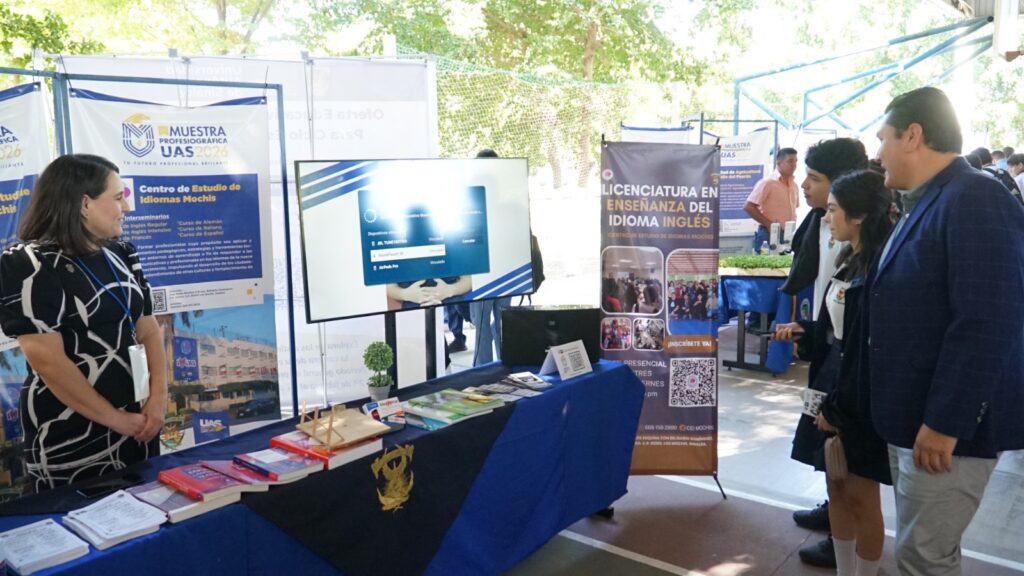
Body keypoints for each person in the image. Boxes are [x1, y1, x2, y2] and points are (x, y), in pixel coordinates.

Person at [870, 86, 1024, 575]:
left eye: (883, 138)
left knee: (924, 559)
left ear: (913, 135)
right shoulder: (927, 200)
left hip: (947, 431)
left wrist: (946, 422)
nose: (878, 153)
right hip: (915, 419)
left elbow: (989, 319)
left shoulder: (975, 197)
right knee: (919, 552)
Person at [0, 154, 167, 492]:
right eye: (118, 198)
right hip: (70, 434)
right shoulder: (27, 264)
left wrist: (158, 399)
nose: (127, 207)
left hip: (139, 422)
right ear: (84, 204)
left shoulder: (123, 253)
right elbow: (46, 360)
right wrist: (116, 420)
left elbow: (148, 328)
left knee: (145, 508)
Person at [775, 170, 895, 576]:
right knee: (835, 483)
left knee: (860, 493)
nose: (826, 218)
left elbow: (869, 350)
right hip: (830, 383)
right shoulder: (850, 259)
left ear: (858, 215)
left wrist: (840, 409)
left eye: (833, 210)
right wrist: (806, 331)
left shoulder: (881, 269)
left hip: (857, 396)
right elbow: (838, 328)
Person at [779, 138, 869, 568]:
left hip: (845, 356)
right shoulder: (818, 225)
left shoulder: (863, 244)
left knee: (845, 449)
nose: (804, 186)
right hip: (826, 345)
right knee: (823, 436)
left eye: (813, 178)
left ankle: (845, 533)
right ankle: (833, 506)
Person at [469, 148, 512, 366]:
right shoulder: (477, 193)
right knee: (489, 323)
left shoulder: (478, 192)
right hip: (493, 268)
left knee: (491, 323)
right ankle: (497, 368)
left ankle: (487, 370)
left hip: (497, 269)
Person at [744, 147, 799, 253]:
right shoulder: (768, 183)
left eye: (796, 161)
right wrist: (769, 224)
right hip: (768, 233)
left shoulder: (794, 185)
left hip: (788, 234)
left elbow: (794, 209)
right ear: (778, 163)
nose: (794, 165)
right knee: (766, 263)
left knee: (786, 263)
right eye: (790, 161)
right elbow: (748, 206)